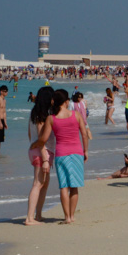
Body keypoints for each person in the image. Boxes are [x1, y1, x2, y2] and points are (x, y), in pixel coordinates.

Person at [31, 89, 88, 224]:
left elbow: (43, 139)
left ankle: (66, 217)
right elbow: (84, 134)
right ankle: (72, 216)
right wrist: (86, 151)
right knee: (74, 186)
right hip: (77, 152)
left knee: (63, 186)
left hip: (61, 154)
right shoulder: (76, 115)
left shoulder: (51, 119)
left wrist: (34, 144)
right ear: (66, 101)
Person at [25, 86, 55, 225]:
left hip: (37, 150)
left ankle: (38, 215)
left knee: (44, 183)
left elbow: (30, 134)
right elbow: (41, 139)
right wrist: (45, 159)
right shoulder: (41, 115)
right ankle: (29, 218)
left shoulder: (34, 112)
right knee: (38, 184)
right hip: (41, 152)